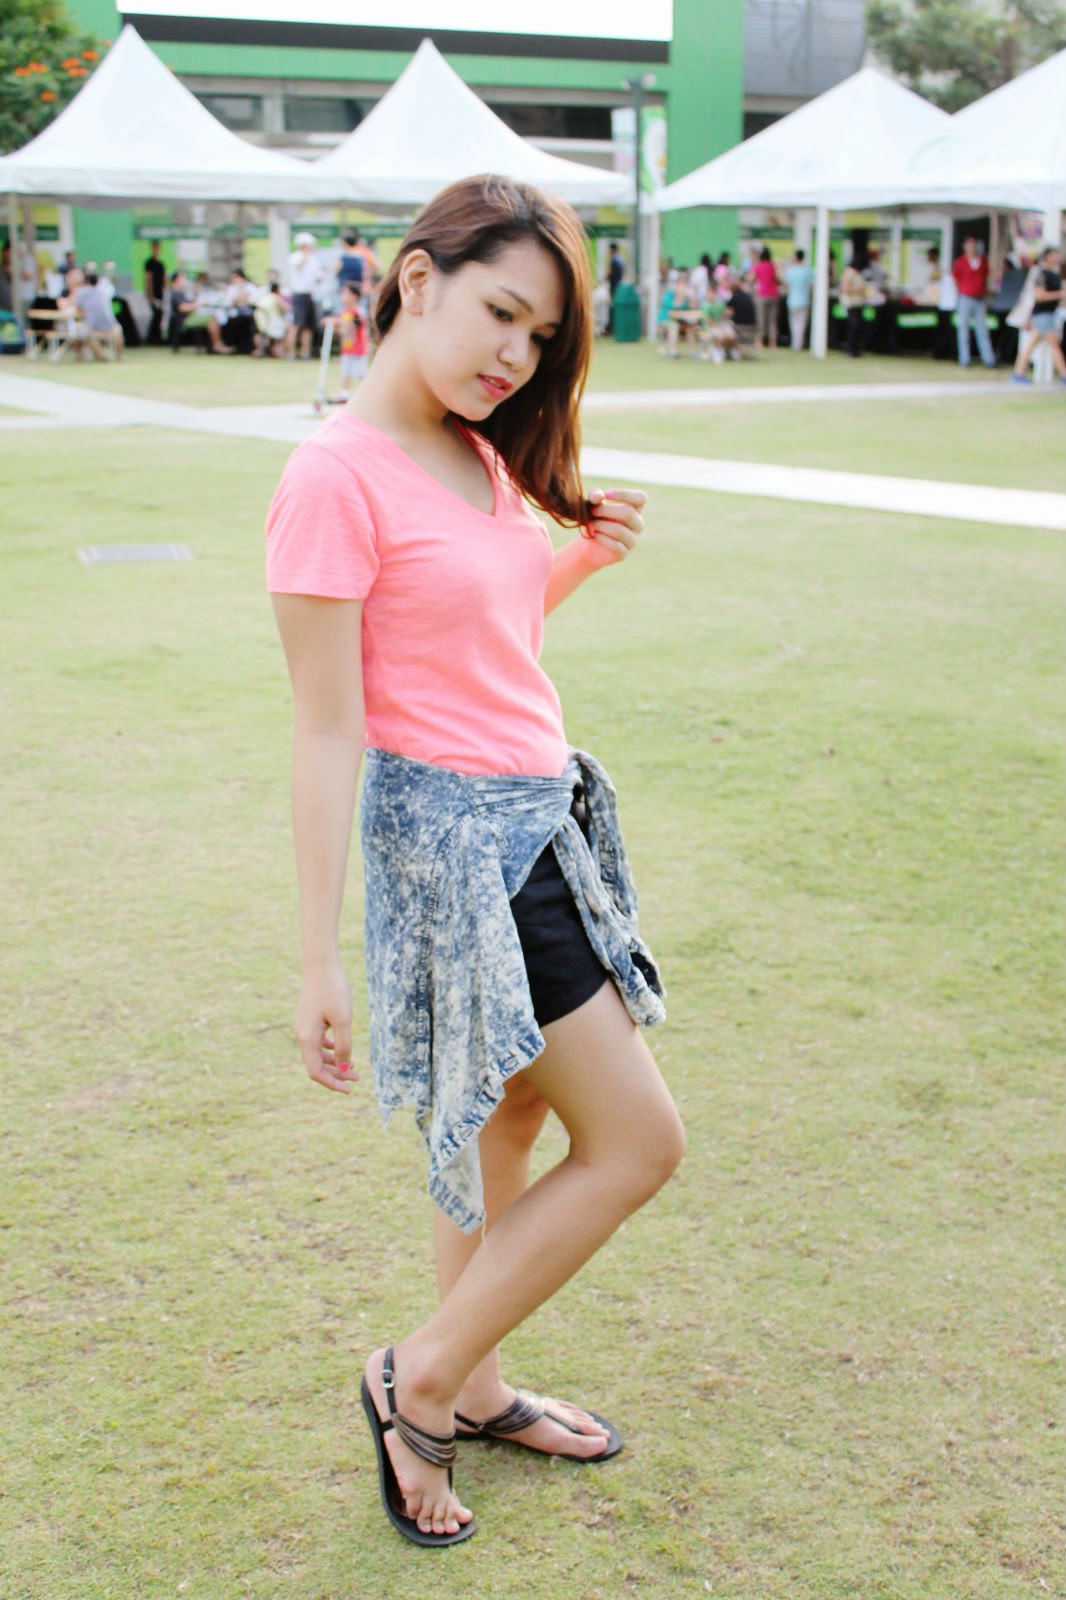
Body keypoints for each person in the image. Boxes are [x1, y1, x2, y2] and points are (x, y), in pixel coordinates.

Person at [266, 174, 683, 1549]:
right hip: (461, 857)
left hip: (537, 820)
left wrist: (575, 567)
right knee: (637, 1143)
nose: (515, 353)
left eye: (540, 336)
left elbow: (470, 642)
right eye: (501, 311)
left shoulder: (478, 448)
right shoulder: (332, 476)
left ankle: (480, 1381)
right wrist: (318, 955)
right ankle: (422, 1377)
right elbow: (329, 725)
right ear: (416, 279)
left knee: (503, 1127)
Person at [1010, 245, 1066, 387]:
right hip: (1042, 314)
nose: (1057, 257)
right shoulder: (1041, 274)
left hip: (1049, 314)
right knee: (1054, 346)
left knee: (1031, 344)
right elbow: (1039, 296)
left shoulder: (1053, 274)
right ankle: (1064, 375)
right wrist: (1060, 294)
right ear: (1047, 257)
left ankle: (1018, 373)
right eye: (1054, 254)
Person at [951, 235, 996, 369]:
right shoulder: (960, 262)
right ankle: (964, 360)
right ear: (964, 246)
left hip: (979, 298)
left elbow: (987, 277)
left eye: (974, 245)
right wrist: (961, 291)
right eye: (969, 244)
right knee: (963, 330)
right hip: (966, 297)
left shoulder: (982, 261)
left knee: (982, 330)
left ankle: (989, 360)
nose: (972, 247)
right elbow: (955, 279)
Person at [288, 231, 326, 359]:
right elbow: (298, 266)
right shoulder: (295, 257)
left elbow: (319, 276)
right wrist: (305, 255)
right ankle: (291, 352)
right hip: (299, 295)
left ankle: (306, 353)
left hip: (311, 295)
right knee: (296, 324)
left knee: (308, 326)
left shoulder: (314, 260)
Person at [331, 278, 369, 399]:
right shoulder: (344, 312)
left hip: (358, 349)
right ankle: (345, 392)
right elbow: (341, 330)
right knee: (345, 371)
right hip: (347, 348)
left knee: (360, 373)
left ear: (354, 296)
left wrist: (338, 322)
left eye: (345, 293)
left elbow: (353, 325)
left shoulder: (358, 312)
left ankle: (367, 394)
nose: (342, 296)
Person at [784, 247, 813, 352]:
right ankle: (798, 343)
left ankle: (795, 343)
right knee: (801, 324)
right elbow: (811, 286)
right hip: (804, 300)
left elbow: (787, 285)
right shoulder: (807, 270)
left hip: (792, 301)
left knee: (793, 323)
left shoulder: (791, 270)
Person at [752, 246, 780, 350]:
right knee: (772, 320)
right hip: (773, 294)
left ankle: (760, 341)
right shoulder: (772, 266)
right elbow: (777, 279)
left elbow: (751, 278)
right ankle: (773, 342)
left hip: (762, 294)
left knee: (761, 318)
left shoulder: (758, 266)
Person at [839, 259, 868, 358]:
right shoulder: (849, 273)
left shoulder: (859, 274)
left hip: (859, 303)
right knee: (854, 326)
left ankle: (856, 348)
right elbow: (845, 289)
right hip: (851, 304)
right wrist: (859, 290)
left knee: (858, 326)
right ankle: (850, 348)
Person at [144, 240, 166, 346]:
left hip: (160, 293)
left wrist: (165, 292)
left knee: (159, 315)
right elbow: (148, 279)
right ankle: (151, 337)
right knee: (156, 314)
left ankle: (157, 337)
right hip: (153, 293)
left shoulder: (161, 264)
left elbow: (164, 279)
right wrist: (150, 294)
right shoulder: (149, 263)